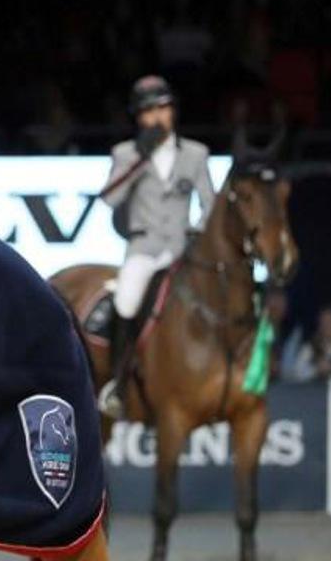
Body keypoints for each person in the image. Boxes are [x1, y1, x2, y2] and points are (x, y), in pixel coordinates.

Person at [97, 75, 215, 417]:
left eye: (163, 108)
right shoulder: (126, 153)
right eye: (149, 111)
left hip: (183, 250)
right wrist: (140, 160)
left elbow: (209, 202)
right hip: (144, 248)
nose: (158, 116)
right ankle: (117, 383)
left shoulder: (195, 154)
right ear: (139, 118)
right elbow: (110, 197)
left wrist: (197, 233)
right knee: (126, 300)